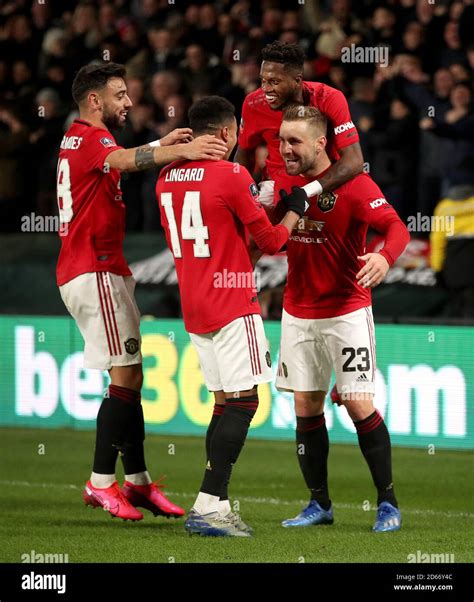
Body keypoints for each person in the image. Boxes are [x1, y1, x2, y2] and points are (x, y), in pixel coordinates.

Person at [56, 61, 228, 521]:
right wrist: (180, 153)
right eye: (120, 95)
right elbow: (124, 162)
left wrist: (159, 144)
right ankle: (100, 483)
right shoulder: (95, 139)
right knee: (125, 377)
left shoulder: (79, 137)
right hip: (94, 270)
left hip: (95, 269)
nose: (128, 102)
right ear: (95, 101)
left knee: (130, 375)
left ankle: (137, 483)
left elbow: (120, 158)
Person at [155, 96, 307, 537]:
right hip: (233, 301)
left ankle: (216, 504)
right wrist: (295, 207)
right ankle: (207, 505)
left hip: (195, 303)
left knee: (223, 404)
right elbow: (276, 243)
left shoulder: (166, 178)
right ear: (226, 133)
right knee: (245, 402)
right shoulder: (232, 175)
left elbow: (226, 237)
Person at [274, 105, 410, 532]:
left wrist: (385, 257)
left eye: (293, 141)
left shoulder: (355, 183)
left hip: (346, 312)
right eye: (281, 140)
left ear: (320, 143)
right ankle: (319, 505)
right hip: (297, 311)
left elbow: (397, 228)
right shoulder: (280, 182)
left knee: (357, 403)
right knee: (306, 406)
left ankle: (388, 502)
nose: (284, 149)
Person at [235, 41, 364, 206]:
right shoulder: (254, 103)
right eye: (263, 80)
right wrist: (242, 194)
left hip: (326, 182)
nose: (265, 89)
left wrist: (306, 192)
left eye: (274, 82)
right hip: (277, 186)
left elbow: (354, 160)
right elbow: (243, 153)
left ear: (297, 81)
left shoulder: (329, 99)